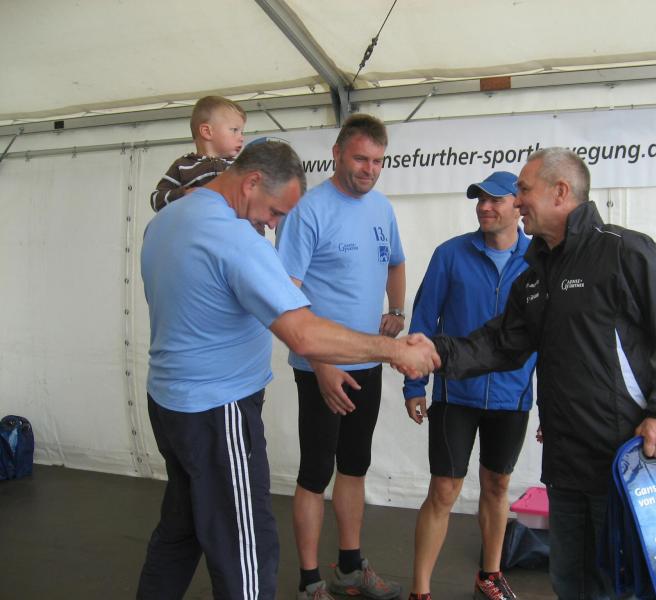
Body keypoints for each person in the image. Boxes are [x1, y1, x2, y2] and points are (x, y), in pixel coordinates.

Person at [138, 140, 439, 600]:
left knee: (180, 530)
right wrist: (394, 350)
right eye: (275, 211)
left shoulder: (165, 222)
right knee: (247, 549)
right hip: (218, 412)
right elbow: (302, 333)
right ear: (252, 182)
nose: (274, 224)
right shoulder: (234, 239)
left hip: (168, 404)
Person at [432, 148, 656, 600]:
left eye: (524, 190)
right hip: (565, 467)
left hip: (624, 463)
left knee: (624, 585)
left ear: (560, 192)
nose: (517, 201)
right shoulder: (534, 276)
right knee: (571, 583)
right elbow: (500, 343)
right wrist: (433, 353)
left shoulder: (624, 252)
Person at [276, 114, 406, 600]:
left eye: (377, 161)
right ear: (336, 154)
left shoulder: (382, 208)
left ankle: (349, 568)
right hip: (320, 370)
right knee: (315, 474)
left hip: (367, 364)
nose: (370, 169)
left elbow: (395, 262)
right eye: (360, 158)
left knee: (354, 467)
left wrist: (396, 309)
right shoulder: (308, 212)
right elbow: (285, 296)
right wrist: (321, 362)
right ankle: (310, 582)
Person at [403, 171, 537, 600]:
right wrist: (415, 384)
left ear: (518, 205)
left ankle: (490, 576)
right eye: (480, 199)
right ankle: (420, 591)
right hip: (455, 394)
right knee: (443, 490)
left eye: (495, 200)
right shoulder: (450, 254)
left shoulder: (540, 260)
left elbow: (554, 337)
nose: (484, 207)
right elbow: (423, 322)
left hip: (512, 397)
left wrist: (554, 408)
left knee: (497, 486)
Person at [149, 95, 246, 212]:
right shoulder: (182, 165)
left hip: (229, 222)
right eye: (234, 130)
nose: (241, 138)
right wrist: (184, 194)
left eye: (242, 132)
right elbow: (156, 199)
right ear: (207, 131)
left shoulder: (239, 166)